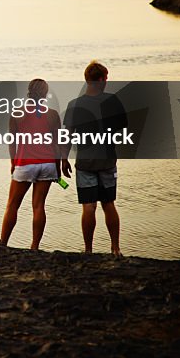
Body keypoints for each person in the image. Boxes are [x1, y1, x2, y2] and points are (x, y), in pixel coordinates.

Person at [61, 61, 127, 256]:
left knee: (88, 206)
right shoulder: (112, 101)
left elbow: (68, 135)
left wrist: (63, 159)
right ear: (100, 80)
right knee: (108, 204)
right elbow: (122, 128)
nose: (106, 82)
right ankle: (115, 248)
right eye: (106, 78)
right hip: (107, 159)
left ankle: (88, 250)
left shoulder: (74, 105)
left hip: (85, 162)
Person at [0, 78, 63, 249]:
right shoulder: (52, 115)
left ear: (28, 91)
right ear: (45, 94)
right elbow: (57, 143)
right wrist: (58, 166)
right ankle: (34, 246)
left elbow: (12, 142)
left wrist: (13, 162)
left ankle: (3, 244)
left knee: (13, 204)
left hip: (25, 163)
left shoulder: (17, 113)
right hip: (48, 163)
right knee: (39, 205)